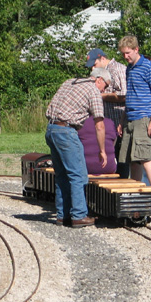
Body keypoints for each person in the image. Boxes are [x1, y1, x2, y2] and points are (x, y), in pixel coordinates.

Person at [45, 67, 110, 228]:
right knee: (78, 175)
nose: (104, 90)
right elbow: (99, 125)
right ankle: (79, 215)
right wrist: (102, 150)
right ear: (99, 79)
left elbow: (52, 105)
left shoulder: (70, 82)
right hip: (66, 131)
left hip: (51, 129)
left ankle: (63, 215)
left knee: (62, 175)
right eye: (106, 86)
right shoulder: (93, 90)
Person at [117, 35, 151, 211]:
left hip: (143, 117)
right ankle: (135, 193)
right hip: (130, 117)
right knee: (132, 159)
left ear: (136, 49)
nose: (125, 57)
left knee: (145, 157)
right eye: (123, 54)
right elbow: (130, 95)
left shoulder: (149, 67)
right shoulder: (129, 69)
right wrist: (122, 120)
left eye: (128, 53)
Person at [85, 48, 127, 174]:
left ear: (103, 58)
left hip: (117, 122)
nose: (93, 68)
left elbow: (124, 95)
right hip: (105, 123)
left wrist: (99, 96)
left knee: (120, 159)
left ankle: (121, 183)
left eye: (95, 64)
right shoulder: (100, 72)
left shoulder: (117, 69)